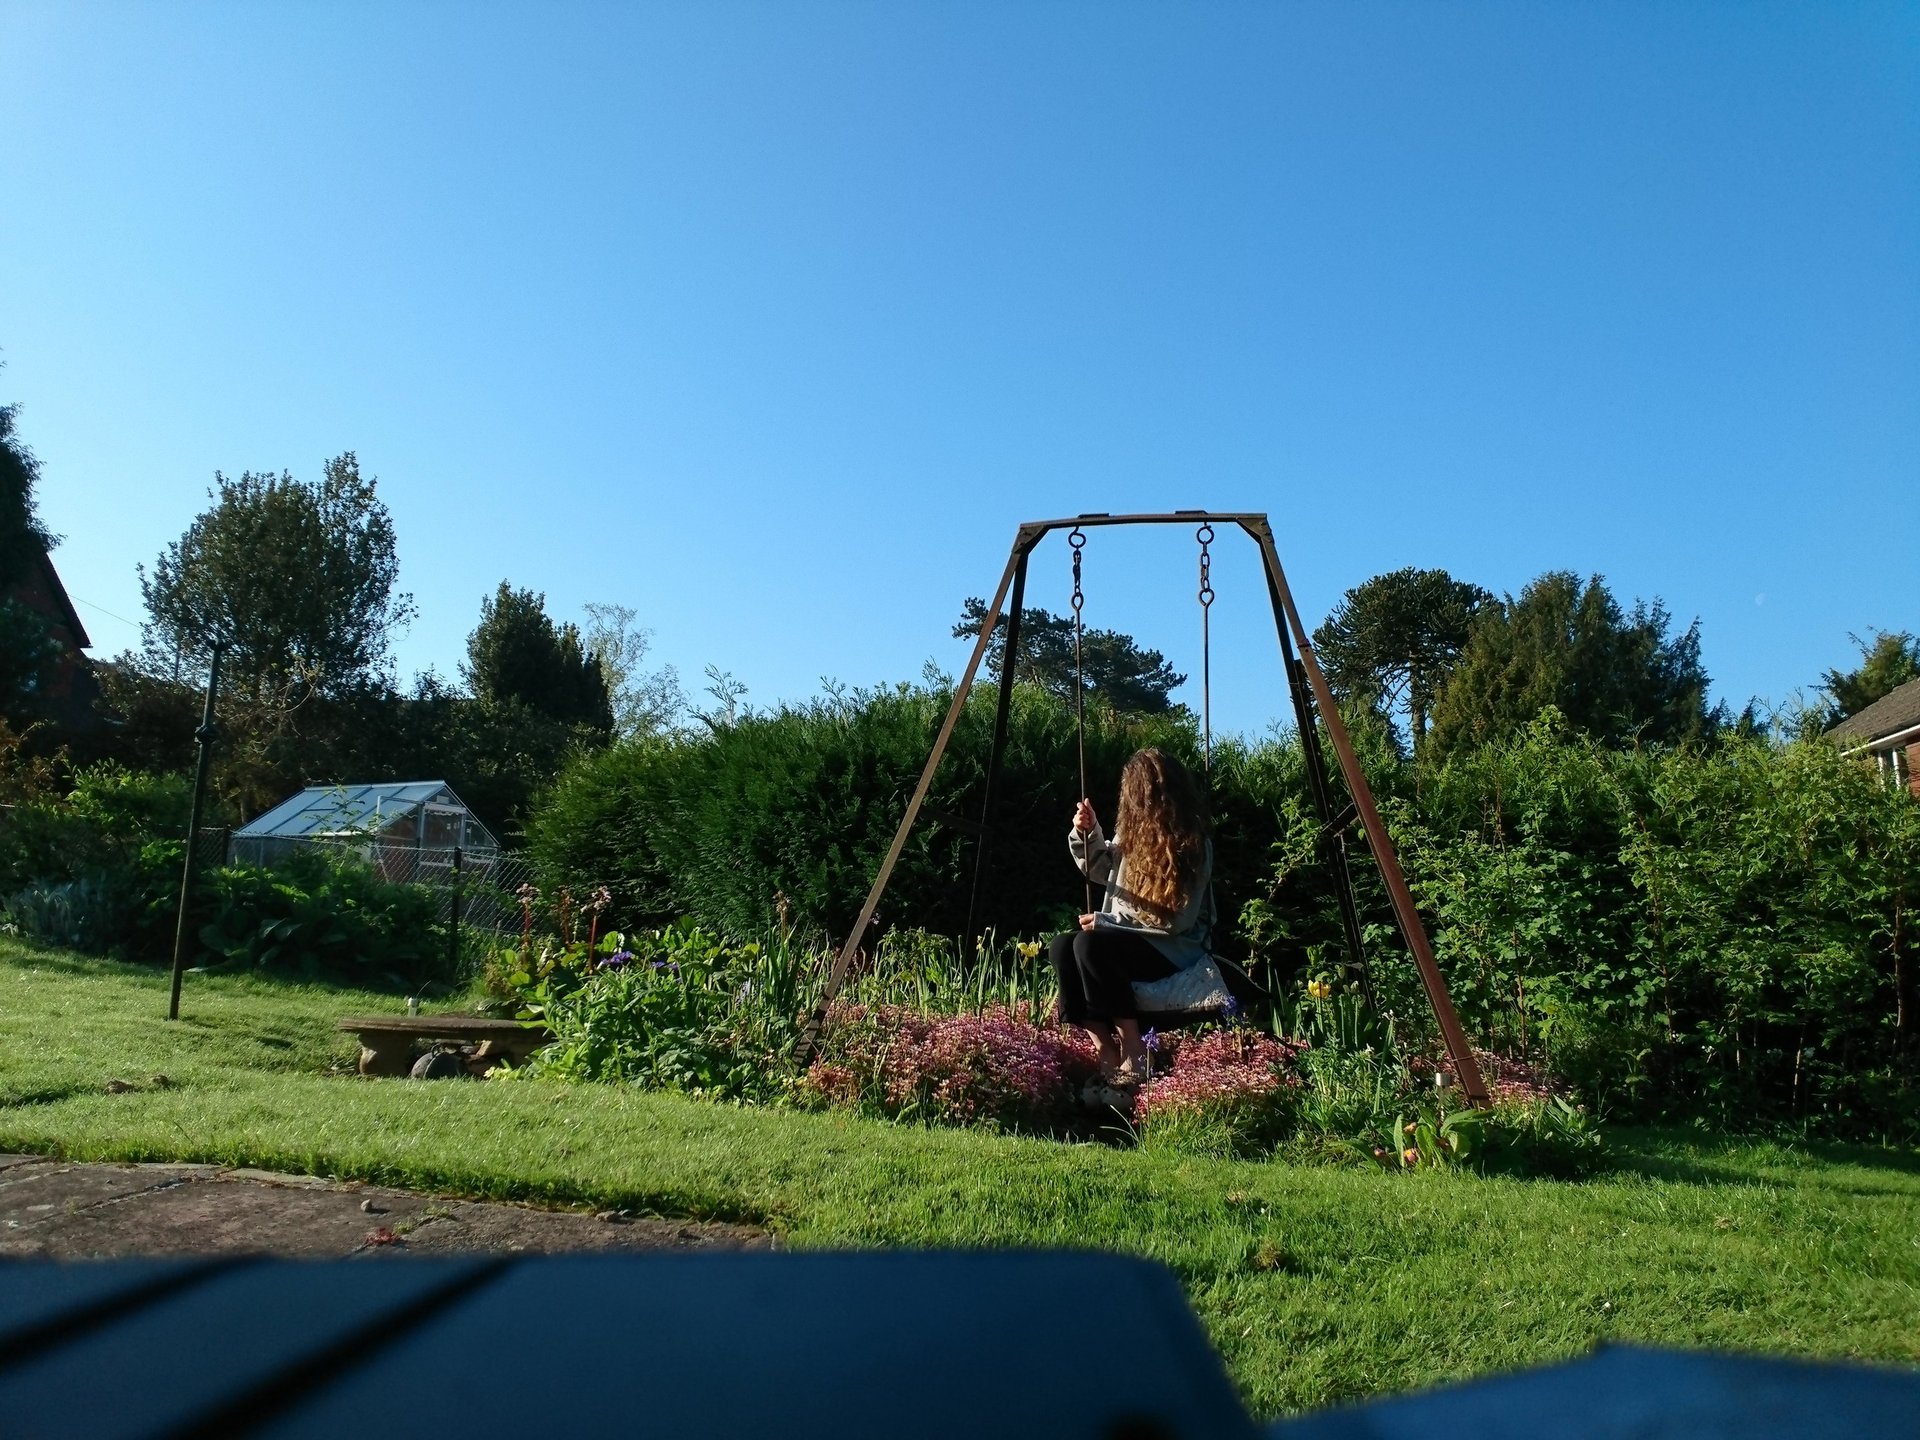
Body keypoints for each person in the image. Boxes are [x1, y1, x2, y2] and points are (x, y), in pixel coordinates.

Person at [1049, 746, 1214, 1095]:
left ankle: (1134, 1049)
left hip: (1173, 949)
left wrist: (1109, 924)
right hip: (1129, 942)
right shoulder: (1131, 838)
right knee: (1063, 946)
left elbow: (1178, 922)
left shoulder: (1192, 844)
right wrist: (1088, 833)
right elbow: (1100, 872)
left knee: (1090, 943)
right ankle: (1104, 1047)